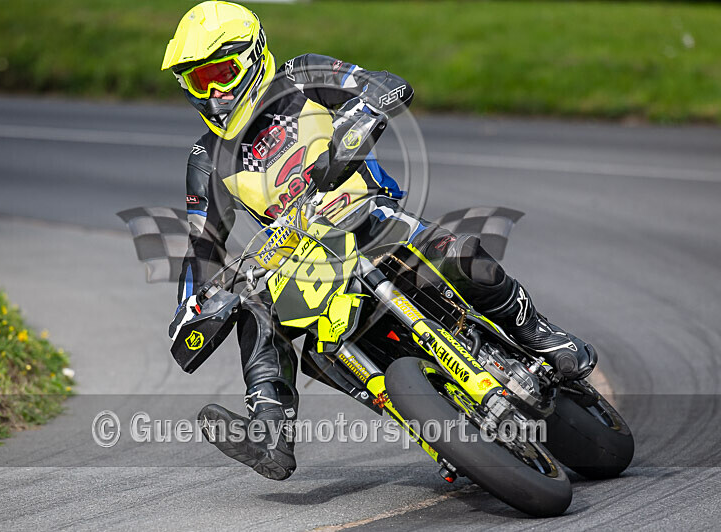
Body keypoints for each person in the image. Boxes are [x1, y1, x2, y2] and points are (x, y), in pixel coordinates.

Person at [164, 1, 596, 480]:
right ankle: (270, 431)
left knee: (450, 250)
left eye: (221, 73)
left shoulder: (300, 76)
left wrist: (358, 119)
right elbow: (201, 245)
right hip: (303, 261)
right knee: (254, 308)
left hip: (365, 215)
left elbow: (383, 83)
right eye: (199, 82)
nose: (216, 93)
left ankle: (536, 330)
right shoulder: (206, 158)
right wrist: (192, 306)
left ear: (253, 56)